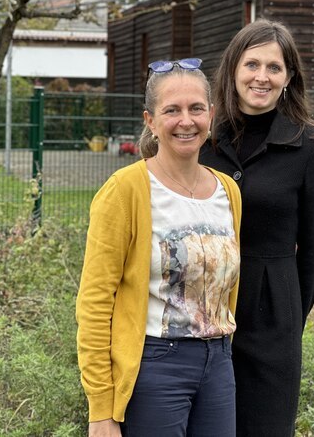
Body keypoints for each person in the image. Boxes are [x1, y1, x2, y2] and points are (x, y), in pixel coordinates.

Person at [76, 58, 242, 437]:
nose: (186, 121)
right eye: (172, 110)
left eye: (196, 108)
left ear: (211, 115)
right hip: (154, 367)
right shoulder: (126, 190)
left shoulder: (228, 192)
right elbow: (95, 302)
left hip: (219, 364)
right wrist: (101, 410)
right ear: (150, 120)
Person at [200, 19, 314, 437]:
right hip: (200, 308)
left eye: (274, 67)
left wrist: (289, 311)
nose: (262, 77)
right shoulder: (202, 137)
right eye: (251, 64)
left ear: (289, 77)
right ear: (233, 70)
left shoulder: (308, 144)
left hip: (273, 311)